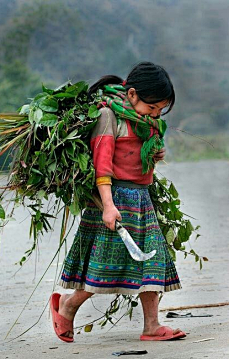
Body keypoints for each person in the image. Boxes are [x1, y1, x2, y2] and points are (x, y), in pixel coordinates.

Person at [50, 61, 186, 342]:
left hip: (141, 200)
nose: (156, 114)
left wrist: (154, 155)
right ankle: (67, 305)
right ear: (133, 94)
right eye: (153, 108)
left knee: (153, 261)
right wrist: (109, 207)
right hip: (113, 199)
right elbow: (103, 166)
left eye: (161, 110)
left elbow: (140, 155)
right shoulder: (108, 116)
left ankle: (151, 326)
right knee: (104, 265)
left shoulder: (146, 123)